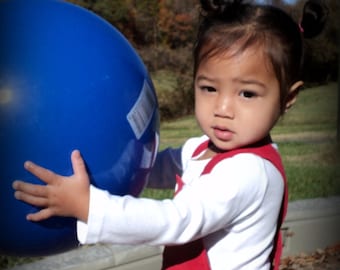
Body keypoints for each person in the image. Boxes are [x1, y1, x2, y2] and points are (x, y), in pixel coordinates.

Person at [12, 0, 325, 269]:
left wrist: (90, 206)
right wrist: (115, 164)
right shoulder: (203, 147)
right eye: (209, 88)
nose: (223, 108)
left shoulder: (249, 172)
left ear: (287, 99)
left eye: (247, 94)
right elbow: (158, 166)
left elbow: (177, 221)